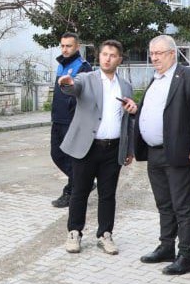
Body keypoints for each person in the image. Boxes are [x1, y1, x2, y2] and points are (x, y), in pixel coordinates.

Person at [135, 35, 190, 276]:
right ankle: (166, 246)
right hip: (154, 152)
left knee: (182, 207)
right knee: (163, 204)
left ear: (172, 53)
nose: (154, 57)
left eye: (159, 53)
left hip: (177, 153)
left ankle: (186, 256)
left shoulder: (189, 77)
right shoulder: (155, 79)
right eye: (152, 53)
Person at [58, 40, 138, 255]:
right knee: (79, 192)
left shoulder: (126, 86)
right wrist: (66, 83)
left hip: (113, 149)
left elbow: (128, 121)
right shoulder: (87, 78)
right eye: (104, 54)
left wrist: (129, 148)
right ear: (99, 56)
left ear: (119, 59)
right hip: (87, 147)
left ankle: (105, 234)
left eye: (112, 55)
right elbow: (72, 87)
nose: (107, 58)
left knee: (108, 194)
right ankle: (74, 232)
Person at [50, 33, 94, 208]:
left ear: (77, 47)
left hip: (73, 120)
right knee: (57, 154)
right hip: (58, 118)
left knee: (70, 157)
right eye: (62, 46)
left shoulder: (83, 66)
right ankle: (84, 182)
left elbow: (86, 94)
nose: (65, 49)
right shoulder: (61, 65)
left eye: (68, 46)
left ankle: (72, 190)